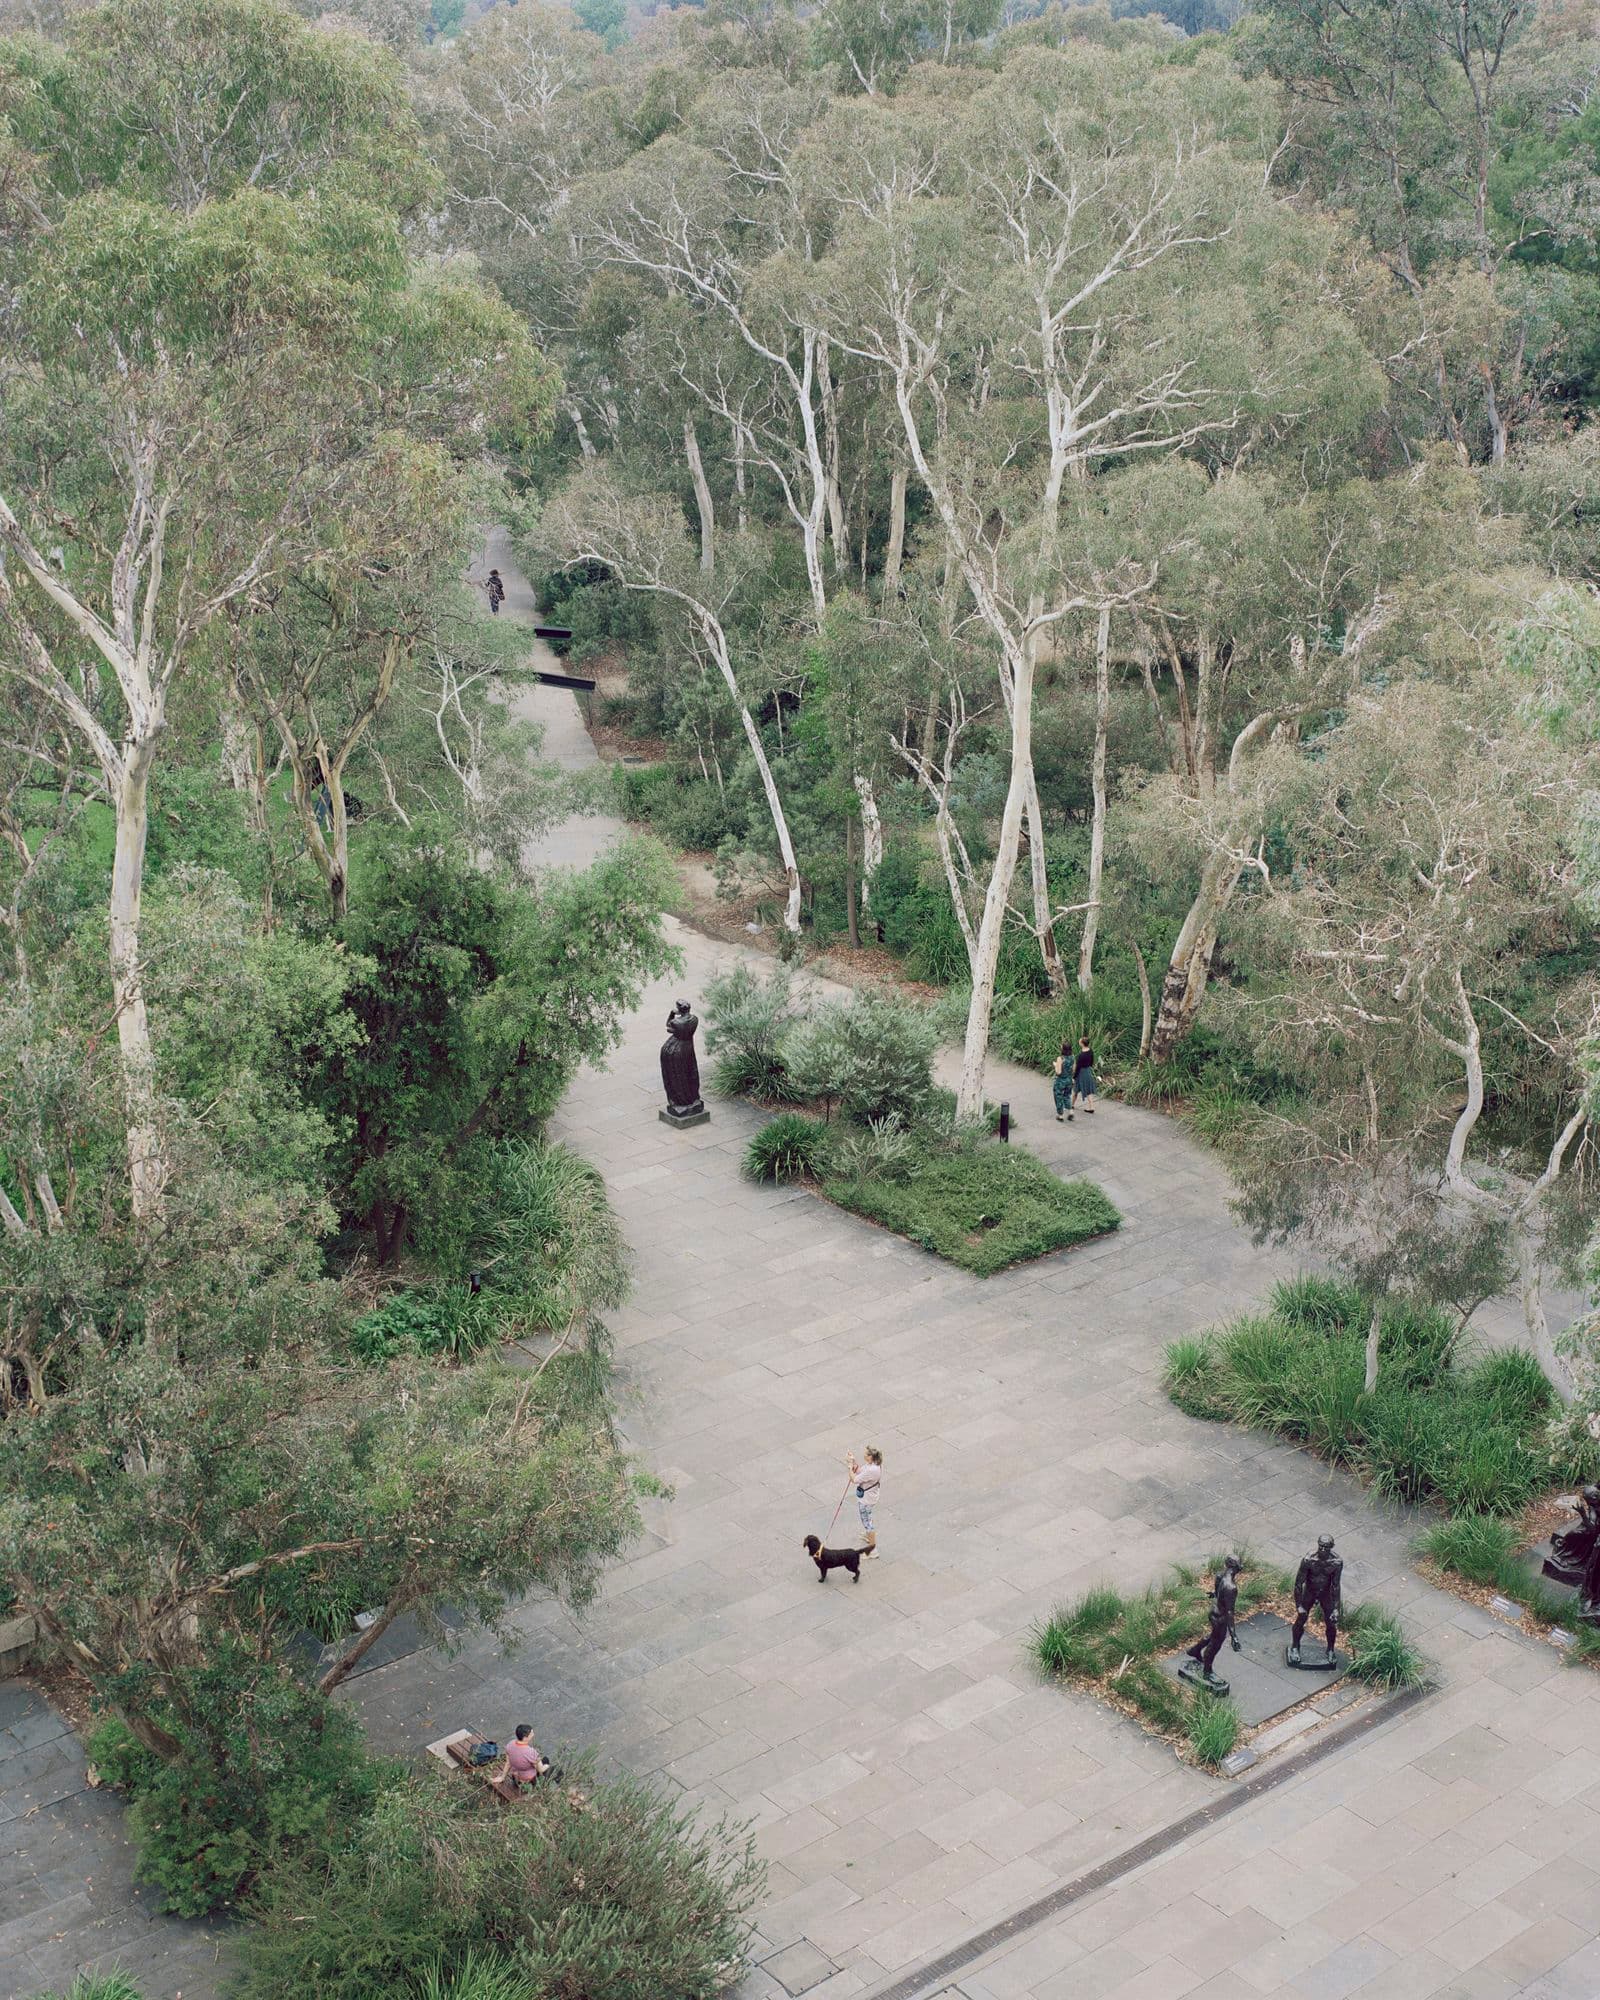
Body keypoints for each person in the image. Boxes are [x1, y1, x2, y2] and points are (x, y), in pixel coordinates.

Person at [848, 1445, 882, 1557]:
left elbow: (854, 1479)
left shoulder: (872, 1470)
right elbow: (859, 1471)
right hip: (870, 1496)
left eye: (867, 1454)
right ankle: (869, 1536)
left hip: (867, 1500)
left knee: (867, 1523)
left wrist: (849, 1467)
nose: (864, 1455)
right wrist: (853, 1462)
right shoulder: (872, 1465)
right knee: (867, 1520)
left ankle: (872, 1551)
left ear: (871, 1457)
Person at [499, 1723, 548, 1791]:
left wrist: (502, 1777)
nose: (533, 1734)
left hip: (516, 1780)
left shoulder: (510, 1744)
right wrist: (547, 1766)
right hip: (528, 1783)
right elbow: (540, 1770)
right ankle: (542, 1787)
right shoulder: (531, 1752)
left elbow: (508, 1763)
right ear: (525, 1738)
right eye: (531, 1733)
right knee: (546, 1760)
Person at [1051, 1042, 1075, 1124]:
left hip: (1061, 1081)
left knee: (1058, 1096)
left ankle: (1060, 1115)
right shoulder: (1072, 1057)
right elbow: (1073, 1069)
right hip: (1069, 1080)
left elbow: (1058, 1072)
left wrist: (1055, 1065)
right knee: (1067, 1096)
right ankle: (1071, 1111)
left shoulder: (1060, 1058)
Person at [1072, 1036, 1096, 1114]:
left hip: (1081, 1073)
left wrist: (1074, 1076)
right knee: (1088, 1090)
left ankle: (1071, 1104)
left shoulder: (1081, 1055)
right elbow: (1092, 1061)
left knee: (1076, 1089)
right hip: (1088, 1071)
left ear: (1082, 1044)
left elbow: (1078, 1067)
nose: (1079, 1042)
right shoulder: (1090, 1051)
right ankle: (1091, 1107)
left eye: (1080, 1041)